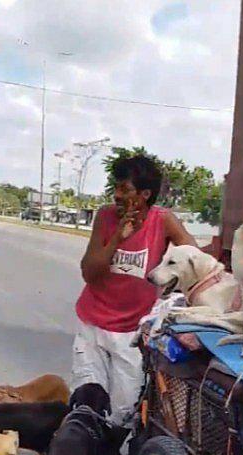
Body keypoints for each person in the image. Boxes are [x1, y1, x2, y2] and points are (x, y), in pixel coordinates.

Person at [73, 154, 198, 419]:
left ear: (144, 194)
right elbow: (89, 273)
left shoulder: (162, 221)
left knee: (123, 412)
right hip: (92, 327)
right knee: (87, 407)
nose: (117, 195)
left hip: (131, 334)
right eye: (115, 187)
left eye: (125, 189)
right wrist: (117, 236)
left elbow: (194, 258)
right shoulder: (105, 216)